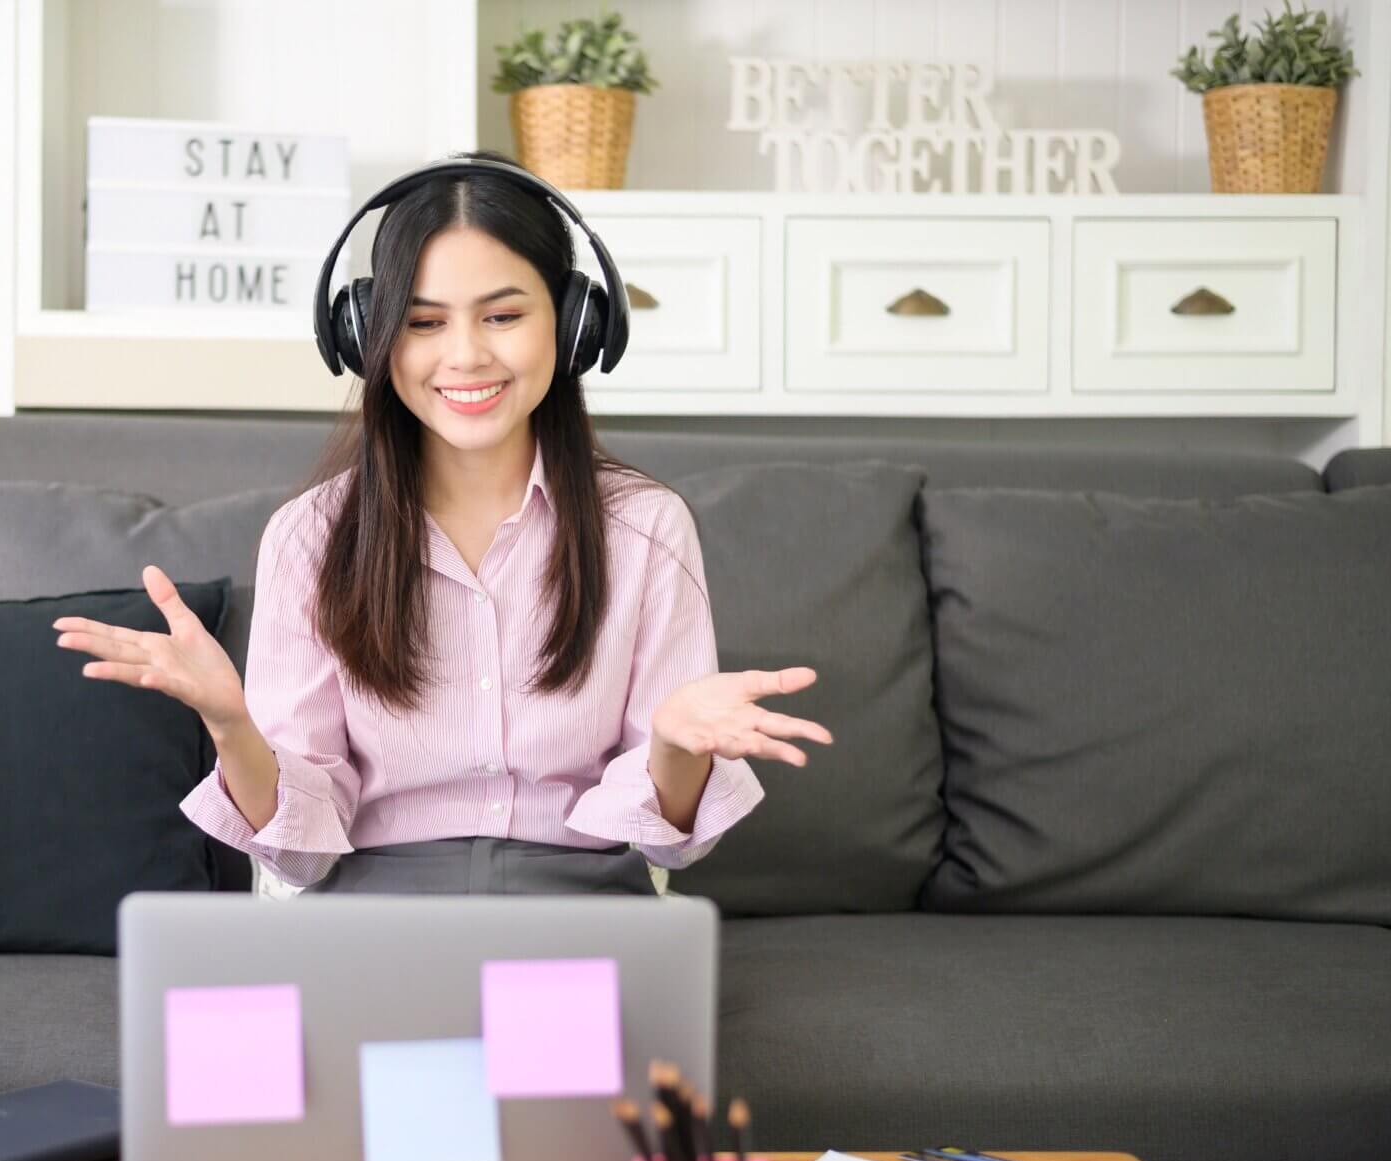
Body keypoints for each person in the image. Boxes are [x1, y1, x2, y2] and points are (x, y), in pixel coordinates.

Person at [52, 150, 832, 896]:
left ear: (572, 323)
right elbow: (297, 858)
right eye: (423, 323)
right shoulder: (311, 537)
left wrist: (672, 742)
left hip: (581, 905)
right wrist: (230, 726)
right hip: (378, 912)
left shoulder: (645, 528)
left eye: (501, 315)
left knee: (625, 1040)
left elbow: (672, 842)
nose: (464, 355)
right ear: (368, 337)